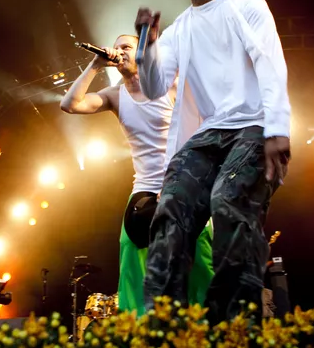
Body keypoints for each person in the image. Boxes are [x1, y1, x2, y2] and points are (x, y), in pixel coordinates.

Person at [135, 0, 292, 323]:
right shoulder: (179, 29)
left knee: (228, 200)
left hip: (253, 125)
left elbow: (269, 61)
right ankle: (163, 324)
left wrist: (278, 128)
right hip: (208, 133)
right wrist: (146, 45)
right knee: (171, 207)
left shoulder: (247, 5)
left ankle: (235, 325)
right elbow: (154, 87)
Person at [60, 34, 214, 315]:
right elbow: (70, 104)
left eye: (127, 47)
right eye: (116, 47)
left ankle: (209, 325)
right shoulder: (114, 95)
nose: (119, 51)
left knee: (199, 261)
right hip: (144, 188)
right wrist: (96, 65)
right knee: (130, 250)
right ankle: (139, 325)